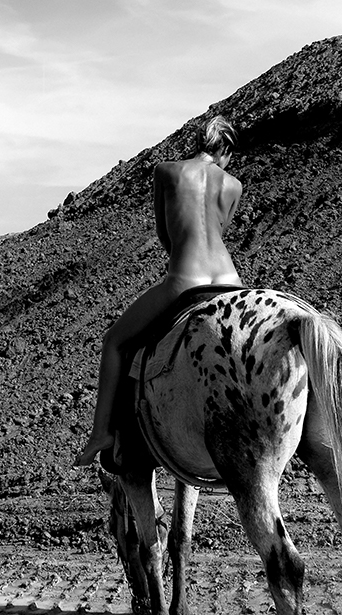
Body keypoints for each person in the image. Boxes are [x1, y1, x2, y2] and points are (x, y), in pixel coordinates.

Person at [74, 114, 243, 466]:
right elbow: (219, 232)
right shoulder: (233, 185)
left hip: (186, 279)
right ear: (225, 149)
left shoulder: (167, 171)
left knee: (115, 342)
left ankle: (102, 432)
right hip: (230, 281)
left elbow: (167, 235)